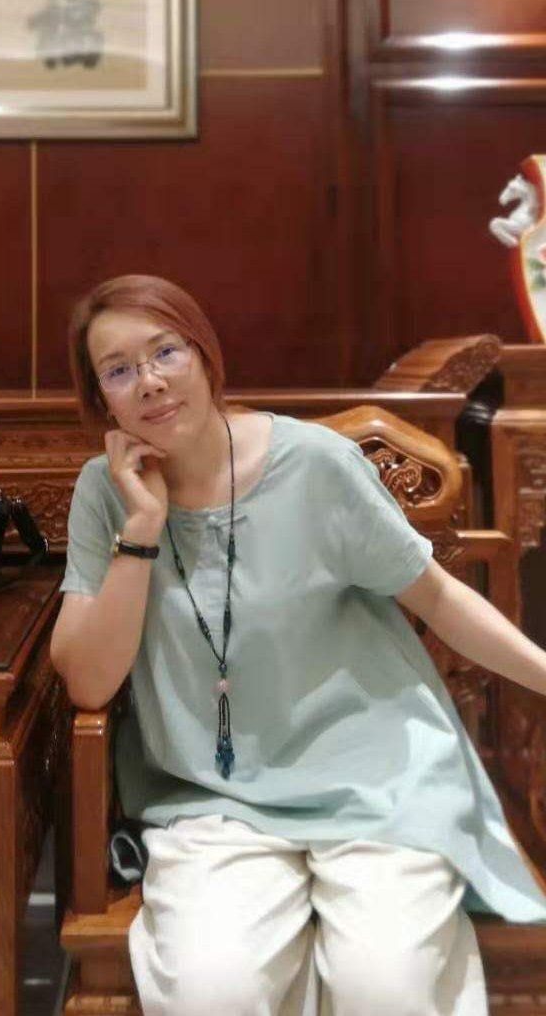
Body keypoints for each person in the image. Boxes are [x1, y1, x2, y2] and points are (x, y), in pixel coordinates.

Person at [50, 273, 546, 1016]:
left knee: (386, 986)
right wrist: (142, 531)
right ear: (102, 400)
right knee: (214, 992)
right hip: (214, 801)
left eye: (165, 352)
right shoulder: (106, 493)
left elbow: (439, 598)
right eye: (118, 370)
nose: (149, 381)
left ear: (205, 355)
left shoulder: (315, 464)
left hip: (377, 778)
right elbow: (88, 682)